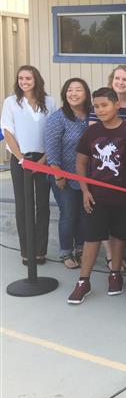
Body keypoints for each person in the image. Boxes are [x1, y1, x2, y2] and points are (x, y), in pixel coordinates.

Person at [66, 88, 126, 305]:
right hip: (96, 197)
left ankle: (115, 274)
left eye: (104, 105)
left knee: (120, 237)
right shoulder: (91, 133)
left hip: (123, 198)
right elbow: (81, 162)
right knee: (92, 237)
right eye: (97, 106)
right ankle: (84, 281)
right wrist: (84, 190)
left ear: (116, 105)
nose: (100, 110)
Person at [1, 65, 57, 265]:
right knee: (23, 206)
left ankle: (40, 251)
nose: (24, 82)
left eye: (28, 78)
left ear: (36, 80)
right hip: (20, 159)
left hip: (43, 159)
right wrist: (21, 159)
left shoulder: (49, 101)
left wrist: (43, 160)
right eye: (21, 78)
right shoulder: (11, 102)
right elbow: (7, 131)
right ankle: (27, 251)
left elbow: (53, 132)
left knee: (42, 205)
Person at [45, 78, 92, 269]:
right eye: (70, 90)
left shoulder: (92, 115)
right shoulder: (58, 118)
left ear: (86, 94)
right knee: (69, 213)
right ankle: (65, 252)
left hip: (88, 176)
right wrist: (58, 175)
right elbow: (52, 150)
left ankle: (81, 248)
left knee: (84, 213)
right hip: (63, 176)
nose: (73, 93)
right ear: (65, 94)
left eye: (78, 90)